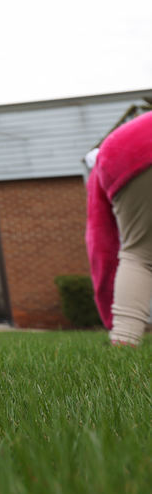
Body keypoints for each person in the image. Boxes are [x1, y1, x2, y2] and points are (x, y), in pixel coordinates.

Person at [85, 110, 152, 346]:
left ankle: (125, 339)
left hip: (121, 155)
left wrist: (110, 317)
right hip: (123, 153)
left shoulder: (101, 165)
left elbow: (100, 245)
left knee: (139, 255)